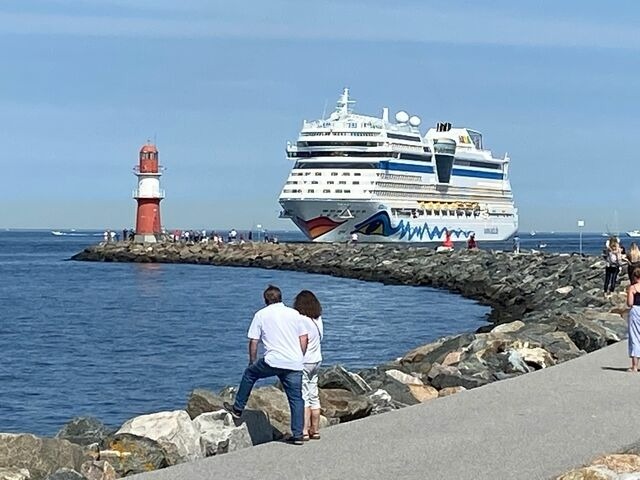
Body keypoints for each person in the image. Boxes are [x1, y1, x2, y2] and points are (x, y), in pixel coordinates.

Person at [224, 285, 309, 445]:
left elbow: (253, 341)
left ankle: (238, 408)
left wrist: (252, 360)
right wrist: (300, 355)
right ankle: (298, 435)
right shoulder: (294, 314)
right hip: (294, 362)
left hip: (273, 360)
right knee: (296, 399)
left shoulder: (261, 315)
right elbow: (304, 337)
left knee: (250, 374)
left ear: (265, 300)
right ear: (281, 297)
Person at [293, 290, 323, 441]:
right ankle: (315, 430)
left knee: (304, 396)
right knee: (314, 394)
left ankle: (304, 430)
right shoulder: (318, 319)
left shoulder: (301, 320)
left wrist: (298, 356)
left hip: (305, 361)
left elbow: (303, 340)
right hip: (317, 360)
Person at [626, 267, 640, 372]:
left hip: (635, 310)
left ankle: (635, 366)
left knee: (635, 337)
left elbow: (630, 303)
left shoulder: (632, 288)